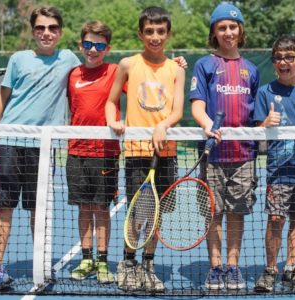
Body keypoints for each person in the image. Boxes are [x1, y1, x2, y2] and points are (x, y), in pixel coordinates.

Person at [0, 6, 81, 290]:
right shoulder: (18, 59)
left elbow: (97, 72)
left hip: (43, 146)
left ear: (60, 32)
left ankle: (40, 263)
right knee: (4, 207)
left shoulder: (70, 59)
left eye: (52, 28)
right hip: (11, 143)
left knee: (38, 210)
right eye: (40, 28)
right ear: (33, 31)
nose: (46, 33)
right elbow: (2, 99)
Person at [105, 6, 185, 293]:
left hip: (166, 152)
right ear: (141, 34)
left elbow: (177, 110)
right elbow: (111, 101)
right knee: (137, 215)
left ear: (168, 33)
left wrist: (163, 125)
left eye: (160, 31)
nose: (155, 36)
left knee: (157, 214)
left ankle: (148, 264)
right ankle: (128, 263)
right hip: (137, 151)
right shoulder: (128, 64)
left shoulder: (176, 69)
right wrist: (111, 120)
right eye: (149, 31)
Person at [190, 2, 259, 290]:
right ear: (214, 33)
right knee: (213, 214)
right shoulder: (204, 65)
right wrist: (208, 126)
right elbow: (197, 107)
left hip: (243, 155)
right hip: (212, 155)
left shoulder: (251, 70)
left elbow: (255, 114)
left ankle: (233, 266)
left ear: (240, 30)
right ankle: (215, 267)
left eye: (232, 26)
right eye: (222, 28)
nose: (228, 32)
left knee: (236, 214)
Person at [253, 35, 295, 293]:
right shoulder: (265, 93)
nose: (284, 62)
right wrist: (265, 124)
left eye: (289, 57)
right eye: (278, 58)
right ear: (274, 63)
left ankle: (290, 268)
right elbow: (257, 132)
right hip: (279, 171)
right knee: (275, 219)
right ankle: (271, 270)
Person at [65, 20, 119, 284]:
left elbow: (147, 83)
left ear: (107, 48)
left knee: (101, 207)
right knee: (84, 207)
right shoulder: (72, 75)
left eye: (99, 45)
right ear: (81, 45)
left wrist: (174, 65)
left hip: (106, 153)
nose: (93, 50)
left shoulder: (116, 72)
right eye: (88, 44)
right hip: (76, 151)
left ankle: (102, 261)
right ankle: (86, 259)